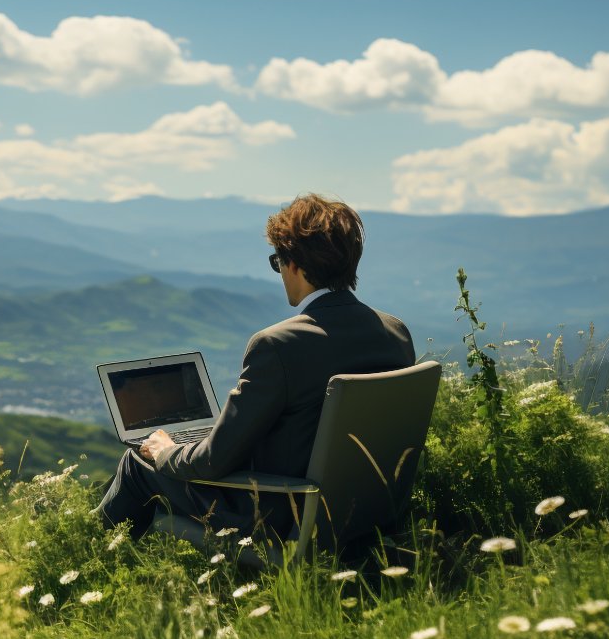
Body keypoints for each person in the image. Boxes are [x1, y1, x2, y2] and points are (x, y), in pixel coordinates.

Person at [96, 193, 415, 544]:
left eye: (278, 261)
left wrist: (164, 450)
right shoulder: (394, 332)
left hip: (279, 514)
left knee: (136, 464)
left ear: (293, 263)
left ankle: (77, 561)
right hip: (367, 511)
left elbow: (213, 462)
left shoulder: (278, 345)